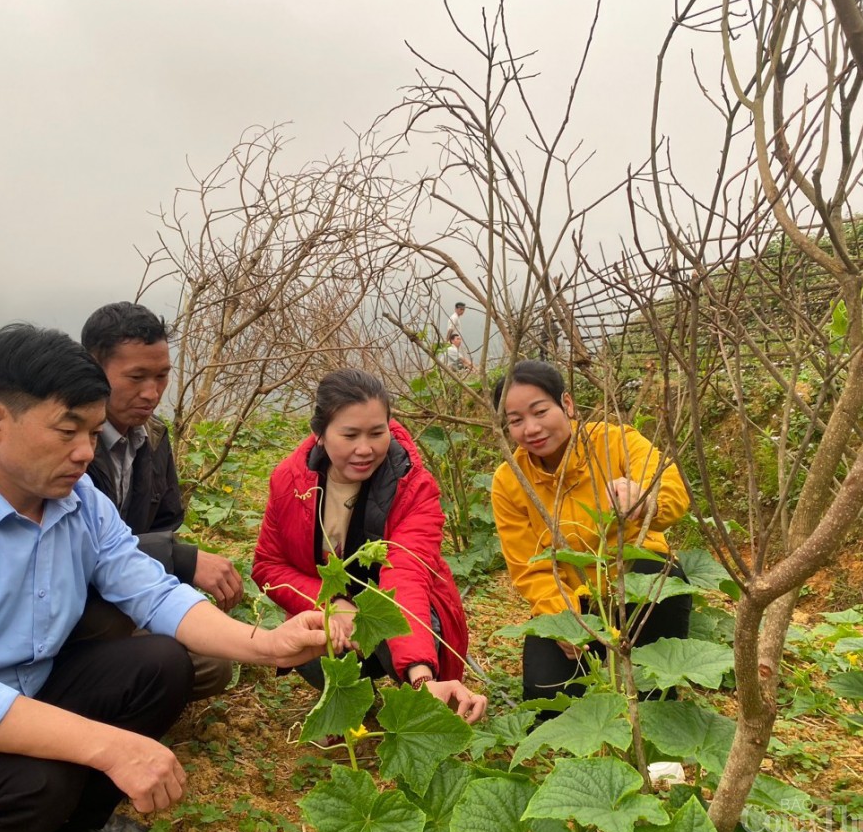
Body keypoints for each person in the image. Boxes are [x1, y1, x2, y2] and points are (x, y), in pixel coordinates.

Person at [0, 324, 327, 832]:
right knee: (39, 781)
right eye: (67, 431)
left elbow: (154, 593)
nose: (83, 452)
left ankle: (70, 830)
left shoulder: (81, 503)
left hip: (27, 691)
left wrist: (270, 644)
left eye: (93, 434)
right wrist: (113, 747)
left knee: (159, 665)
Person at [252, 369, 487, 723]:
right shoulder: (290, 481)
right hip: (337, 619)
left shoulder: (414, 486)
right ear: (320, 434)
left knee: (415, 631)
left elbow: (405, 576)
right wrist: (331, 603)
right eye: (350, 435)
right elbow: (269, 565)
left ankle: (418, 697)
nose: (366, 449)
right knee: (313, 645)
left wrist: (421, 675)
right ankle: (355, 702)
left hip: (401, 608)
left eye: (377, 433)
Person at [490, 360, 691, 714]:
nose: (531, 428)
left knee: (658, 574)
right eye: (516, 420)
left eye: (540, 411)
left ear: (566, 404)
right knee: (547, 703)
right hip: (574, 601)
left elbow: (671, 488)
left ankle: (655, 695)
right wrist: (565, 619)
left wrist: (644, 499)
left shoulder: (616, 441)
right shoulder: (509, 480)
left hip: (635, 588)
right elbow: (528, 569)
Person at [80, 301, 242, 700]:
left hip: (127, 593)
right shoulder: (67, 444)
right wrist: (181, 559)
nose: (151, 393)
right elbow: (72, 550)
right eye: (136, 377)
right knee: (172, 659)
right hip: (77, 603)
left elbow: (165, 522)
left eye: (162, 376)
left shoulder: (151, 436)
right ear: (91, 370)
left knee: (211, 665)